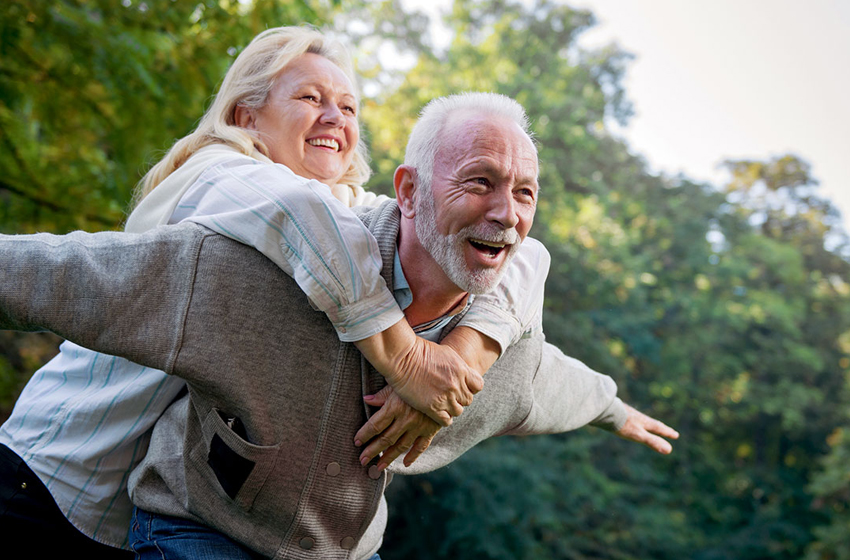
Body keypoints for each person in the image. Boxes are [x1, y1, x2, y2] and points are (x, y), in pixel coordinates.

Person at [0, 92, 679, 560]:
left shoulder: (499, 344)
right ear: (409, 191)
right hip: (198, 530)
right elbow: (73, 274)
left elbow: (552, 382)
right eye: (480, 182)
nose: (507, 213)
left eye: (524, 192)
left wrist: (613, 406)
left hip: (341, 548)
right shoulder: (259, 274)